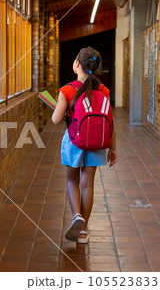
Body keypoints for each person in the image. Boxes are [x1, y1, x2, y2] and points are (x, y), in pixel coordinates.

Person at [51, 47, 118, 244]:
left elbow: (56, 120)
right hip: (98, 143)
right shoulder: (103, 90)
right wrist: (113, 149)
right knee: (88, 184)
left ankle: (76, 216)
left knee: (72, 180)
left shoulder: (67, 90)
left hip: (74, 142)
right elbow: (111, 122)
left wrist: (59, 108)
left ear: (77, 65)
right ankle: (83, 231)